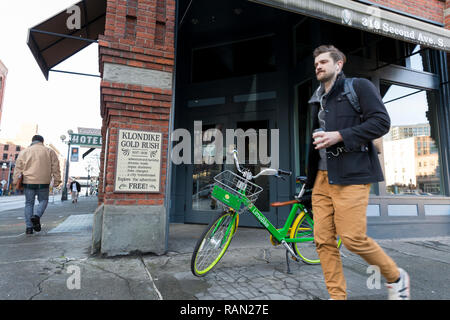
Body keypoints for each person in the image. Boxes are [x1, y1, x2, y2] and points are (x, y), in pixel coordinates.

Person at [305, 45, 410, 300]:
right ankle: (337, 296)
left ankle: (396, 276)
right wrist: (308, 183)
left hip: (351, 176)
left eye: (323, 62)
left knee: (352, 238)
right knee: (323, 241)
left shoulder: (358, 87)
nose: (318, 66)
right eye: (315, 63)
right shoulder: (315, 98)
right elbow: (313, 145)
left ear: (338, 64)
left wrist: (340, 136)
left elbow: (381, 122)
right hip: (320, 179)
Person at [13, 135, 61, 235]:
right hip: (43, 182)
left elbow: (18, 168)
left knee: (29, 203)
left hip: (28, 181)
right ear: (42, 141)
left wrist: (15, 181)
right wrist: (57, 180)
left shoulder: (24, 152)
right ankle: (37, 216)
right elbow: (55, 167)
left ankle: (29, 228)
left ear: (32, 141)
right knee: (43, 200)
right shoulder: (49, 151)